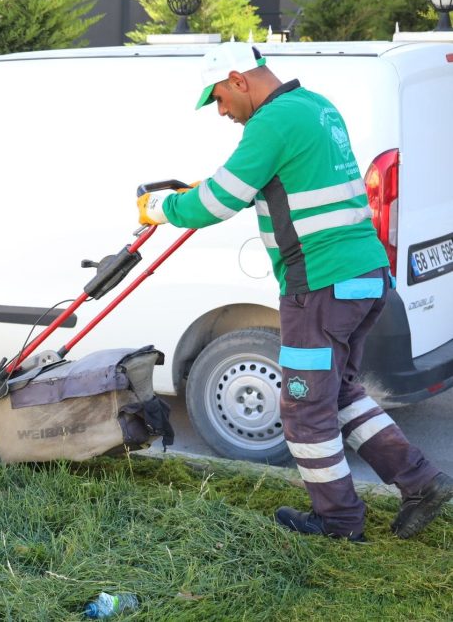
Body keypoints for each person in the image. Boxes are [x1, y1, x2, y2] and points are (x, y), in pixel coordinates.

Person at [137, 41, 453, 541]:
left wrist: (159, 208)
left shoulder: (271, 122)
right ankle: (421, 482)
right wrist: (218, 184)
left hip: (320, 288)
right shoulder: (317, 107)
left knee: (305, 409)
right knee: (343, 392)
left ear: (240, 79)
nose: (221, 111)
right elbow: (285, 178)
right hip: (365, 277)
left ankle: (338, 521)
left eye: (219, 98)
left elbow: (214, 204)